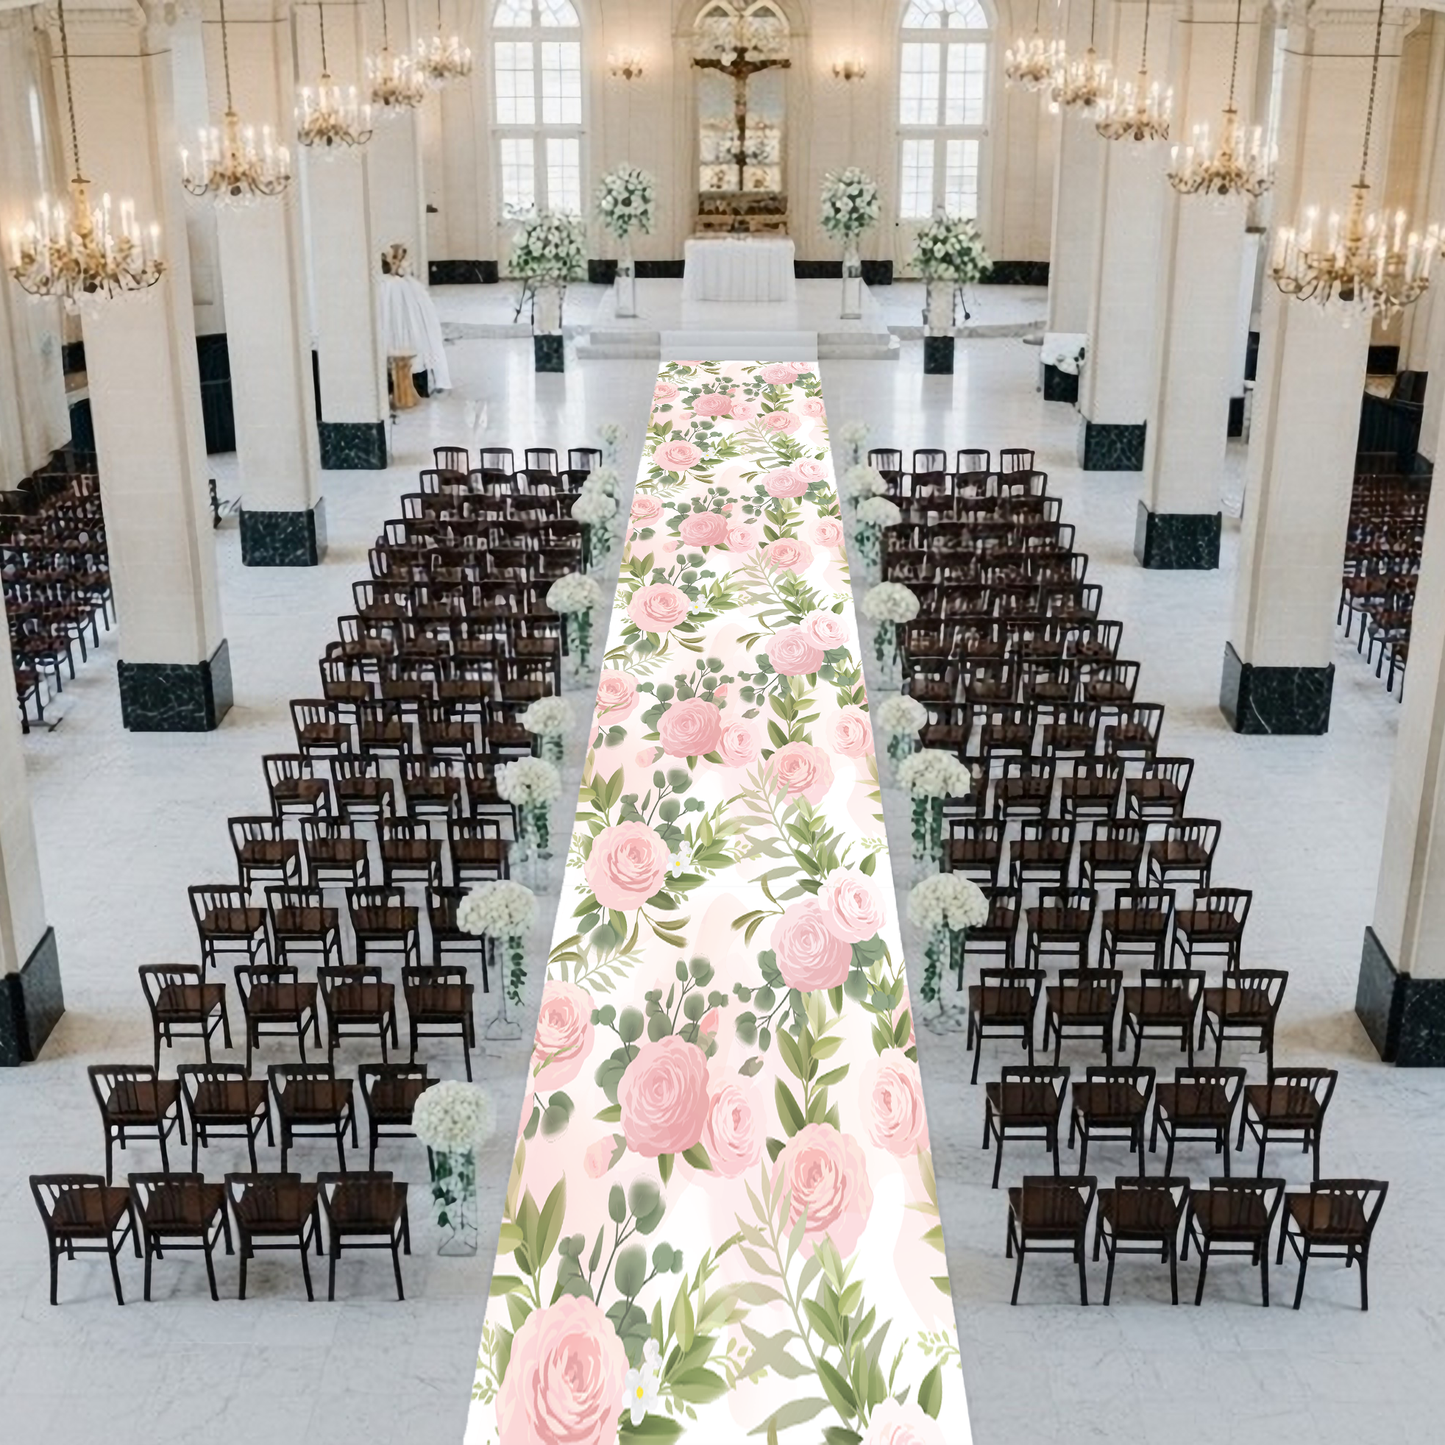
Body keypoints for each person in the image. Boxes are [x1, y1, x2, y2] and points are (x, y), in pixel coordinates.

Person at [379, 243, 451, 394]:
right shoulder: (392, 286)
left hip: (407, 301)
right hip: (400, 296)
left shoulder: (404, 285)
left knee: (411, 330)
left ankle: (413, 375)